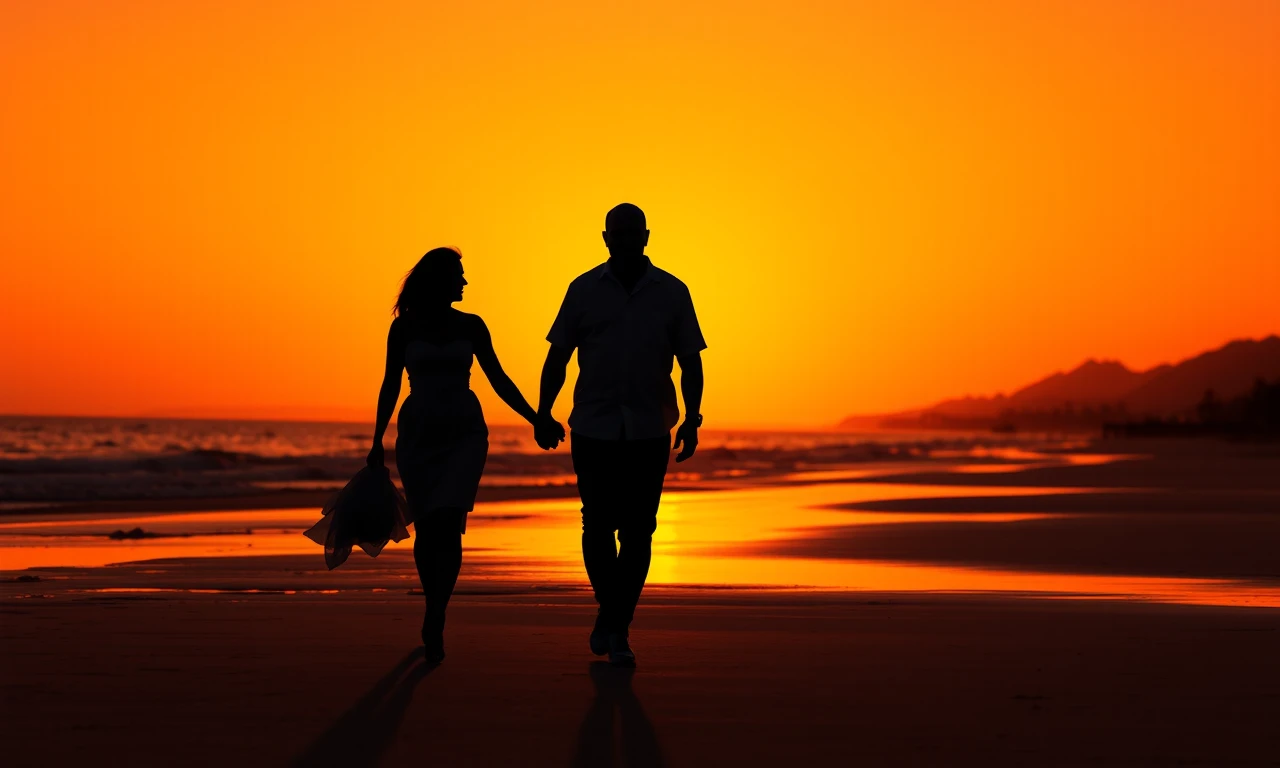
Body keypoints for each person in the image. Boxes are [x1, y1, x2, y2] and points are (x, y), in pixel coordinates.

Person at [535, 203, 706, 667]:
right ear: (606, 238)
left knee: (639, 531)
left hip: (651, 428)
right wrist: (543, 412)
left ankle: (615, 623)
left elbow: (691, 359)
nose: (628, 239)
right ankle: (614, 621)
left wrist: (693, 417)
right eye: (620, 233)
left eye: (635, 232)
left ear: (647, 236)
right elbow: (559, 356)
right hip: (593, 425)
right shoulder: (584, 289)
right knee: (597, 524)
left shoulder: (672, 292)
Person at [368, 247, 553, 664]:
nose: (465, 282)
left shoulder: (472, 326)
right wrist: (376, 439)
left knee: (449, 521)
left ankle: (436, 612)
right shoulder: (404, 328)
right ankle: (433, 601)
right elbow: (389, 385)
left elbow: (499, 379)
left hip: (464, 433)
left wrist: (536, 418)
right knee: (428, 524)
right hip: (417, 432)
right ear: (440, 280)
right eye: (459, 275)